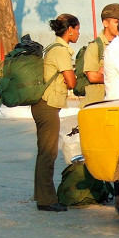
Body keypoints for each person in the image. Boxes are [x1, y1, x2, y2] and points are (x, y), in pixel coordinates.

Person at [32, 14, 80, 212]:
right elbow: (72, 82)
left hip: (44, 105)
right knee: (48, 153)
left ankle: (42, 195)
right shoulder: (60, 51)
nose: (78, 33)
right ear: (69, 30)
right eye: (77, 29)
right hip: (47, 105)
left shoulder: (53, 47)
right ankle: (46, 200)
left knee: (45, 152)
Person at [81, 3, 119, 107]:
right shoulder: (95, 46)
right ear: (105, 23)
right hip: (96, 103)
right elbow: (93, 77)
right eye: (116, 22)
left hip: (116, 101)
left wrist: (106, 72)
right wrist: (117, 75)